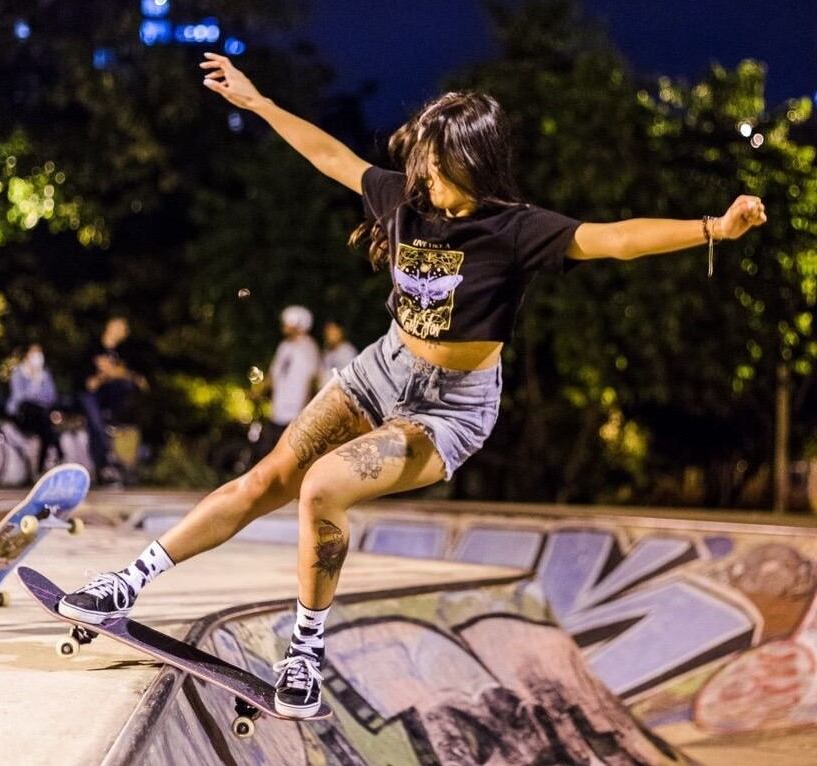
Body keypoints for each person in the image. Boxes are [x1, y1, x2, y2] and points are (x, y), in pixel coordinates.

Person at [58, 52, 767, 719]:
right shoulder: (404, 199)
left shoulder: (515, 231)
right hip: (381, 370)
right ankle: (129, 580)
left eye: (435, 160)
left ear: (472, 162)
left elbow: (614, 238)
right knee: (265, 479)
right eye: (421, 158)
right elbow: (331, 156)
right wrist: (261, 102)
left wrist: (716, 228)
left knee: (323, 487)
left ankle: (304, 656)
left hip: (451, 410)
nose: (420, 170)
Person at [78, 317, 147, 484]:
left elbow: (128, 376)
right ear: (110, 327)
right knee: (96, 423)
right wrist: (115, 372)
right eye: (122, 328)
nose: (125, 333)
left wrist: (120, 373)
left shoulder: (122, 352)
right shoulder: (93, 347)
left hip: (109, 397)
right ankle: (104, 464)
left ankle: (119, 461)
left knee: (129, 387)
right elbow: (91, 383)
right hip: (88, 394)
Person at [252, 306, 321, 460]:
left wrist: (307, 410)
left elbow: (312, 380)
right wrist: (258, 391)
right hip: (277, 411)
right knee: (267, 453)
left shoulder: (308, 348)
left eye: (288, 323)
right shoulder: (284, 347)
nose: (284, 327)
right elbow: (274, 373)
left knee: (289, 457)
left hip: (295, 414)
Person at [7, 344, 62, 476]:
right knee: (46, 426)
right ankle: (60, 454)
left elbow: (51, 397)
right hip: (22, 414)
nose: (37, 357)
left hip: (40, 417)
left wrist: (37, 388)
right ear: (27, 355)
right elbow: (19, 397)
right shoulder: (18, 373)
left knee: (45, 430)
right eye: (34, 353)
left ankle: (39, 470)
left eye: (39, 353)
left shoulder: (45, 374)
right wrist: (35, 383)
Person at [318, 320, 357, 387]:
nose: (329, 335)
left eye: (333, 331)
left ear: (341, 332)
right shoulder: (327, 352)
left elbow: (350, 380)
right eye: (327, 331)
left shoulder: (347, 352)